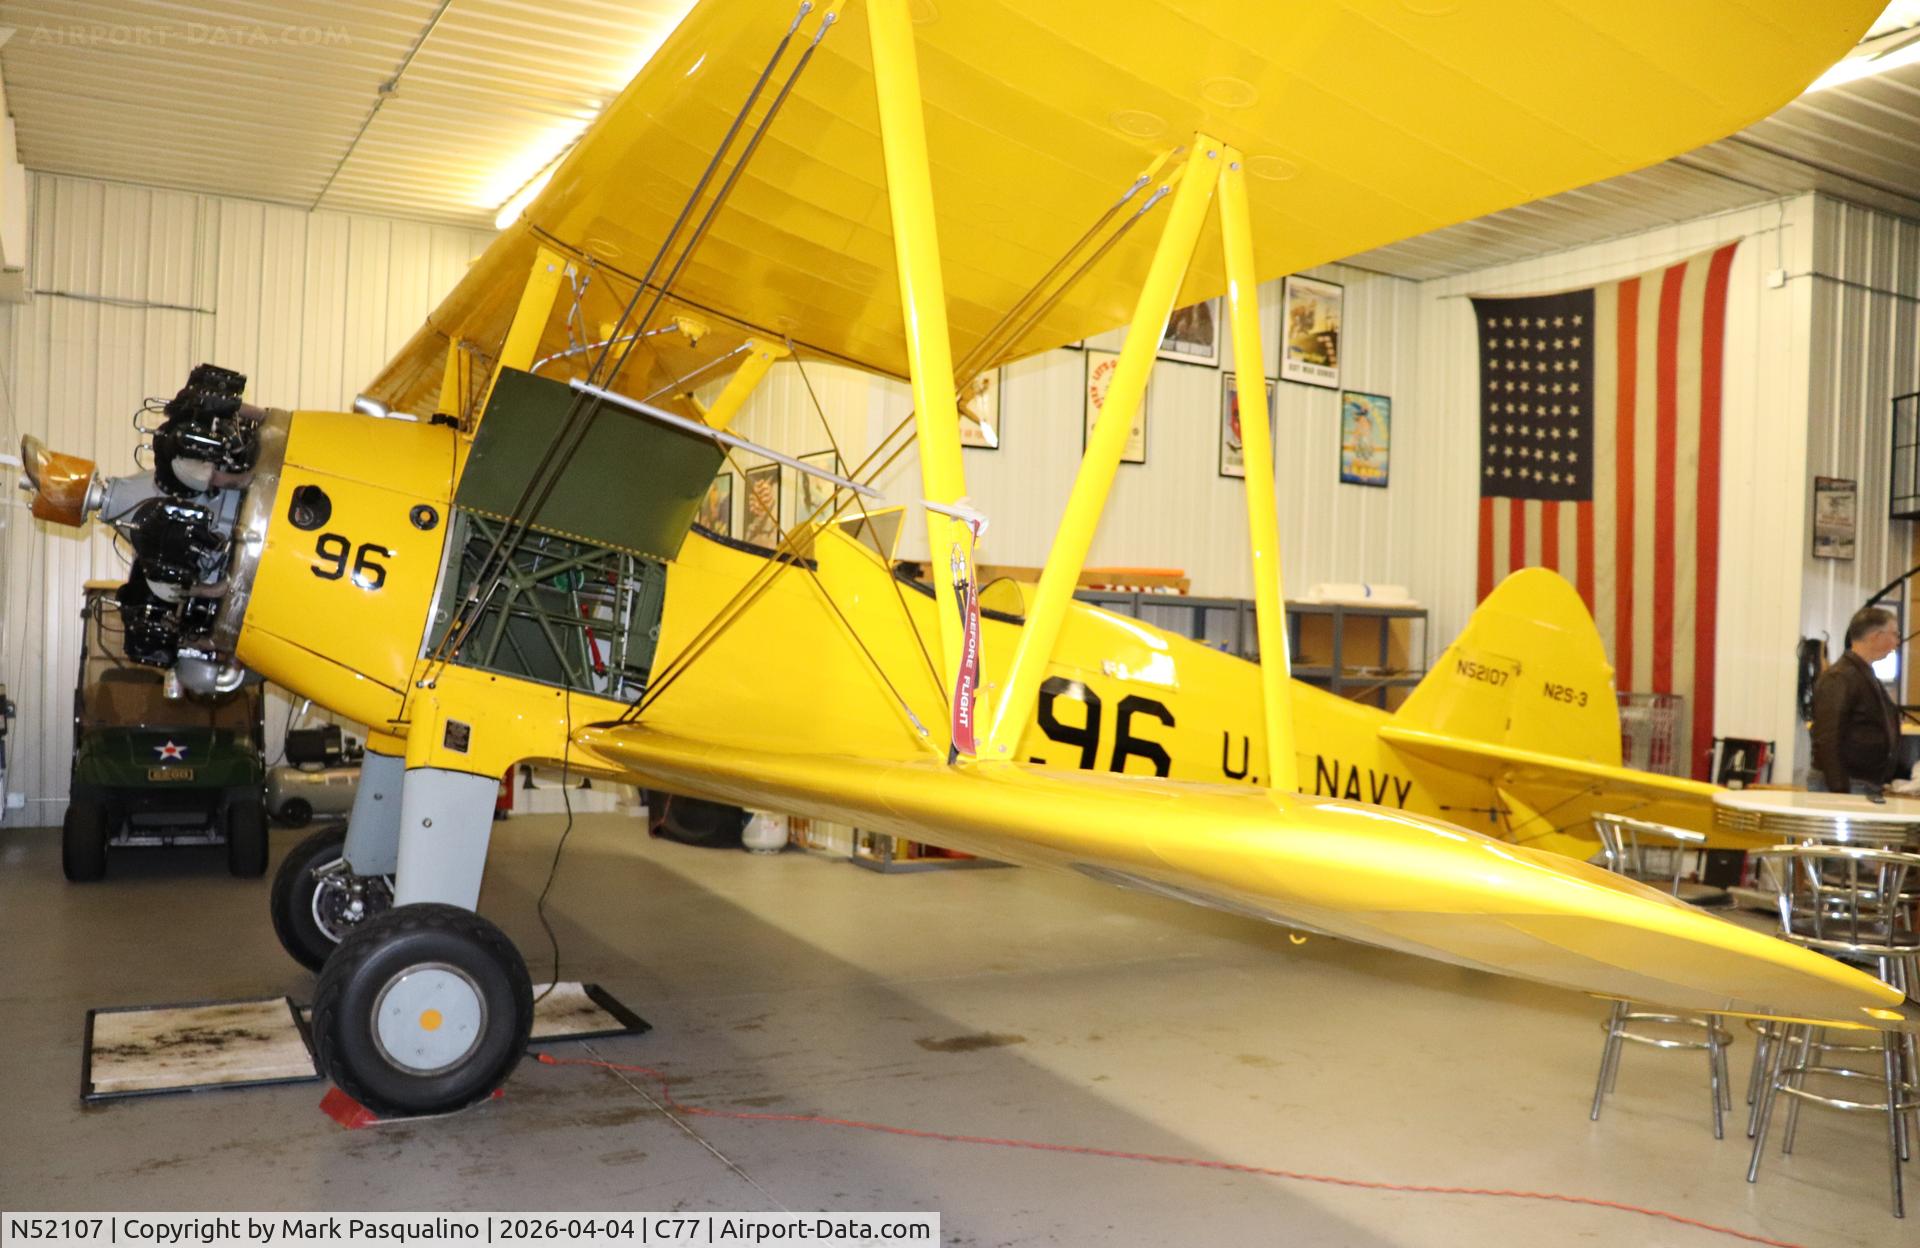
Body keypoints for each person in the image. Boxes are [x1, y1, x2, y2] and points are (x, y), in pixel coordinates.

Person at [1808, 606, 1903, 794]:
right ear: (1876, 636)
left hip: (1862, 782)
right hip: (1846, 784)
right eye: (1894, 634)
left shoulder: (1863, 673)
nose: (1897, 642)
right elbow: (1827, 736)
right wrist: (1840, 790)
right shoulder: (1840, 677)